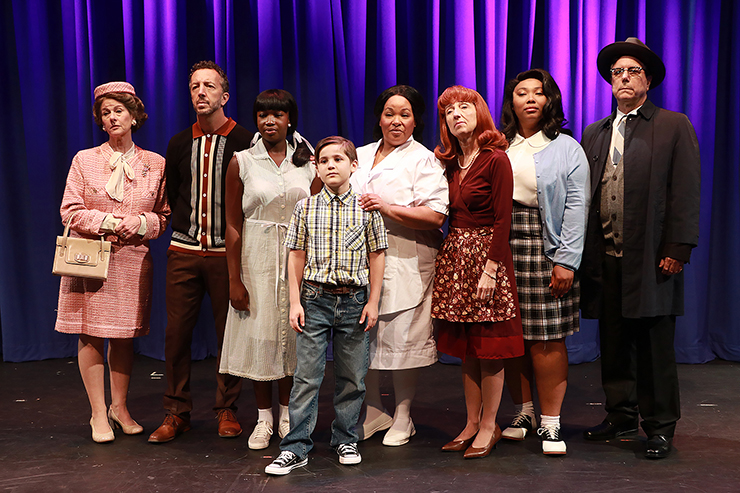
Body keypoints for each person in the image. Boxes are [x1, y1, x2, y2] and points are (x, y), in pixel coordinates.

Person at [579, 38, 701, 459]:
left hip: (652, 257)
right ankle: (620, 414)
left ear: (647, 80)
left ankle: (660, 426)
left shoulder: (672, 125)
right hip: (606, 257)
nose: (624, 77)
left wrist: (678, 246)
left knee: (653, 347)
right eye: (617, 72)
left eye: (632, 71)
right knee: (612, 343)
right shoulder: (595, 133)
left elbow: (685, 191)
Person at [264, 136, 387, 475]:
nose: (331, 165)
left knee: (352, 377)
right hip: (315, 300)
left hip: (354, 300)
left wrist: (373, 302)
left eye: (338, 159)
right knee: (307, 377)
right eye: (324, 160)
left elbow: (377, 255)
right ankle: (296, 447)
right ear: (315, 166)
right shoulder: (306, 206)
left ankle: (345, 437)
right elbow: (296, 255)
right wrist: (294, 302)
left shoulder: (366, 207)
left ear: (353, 165)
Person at [55, 81, 170, 443]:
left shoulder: (155, 163)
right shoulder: (84, 159)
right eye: (105, 112)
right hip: (90, 258)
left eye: (118, 110)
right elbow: (69, 210)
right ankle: (96, 414)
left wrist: (140, 223)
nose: (112, 117)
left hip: (132, 259)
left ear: (134, 115)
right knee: (90, 333)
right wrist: (106, 222)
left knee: (123, 336)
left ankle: (119, 408)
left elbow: (163, 216)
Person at [148, 61, 253, 443]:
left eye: (209, 86)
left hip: (227, 254)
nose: (201, 92)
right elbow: (176, 193)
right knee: (176, 333)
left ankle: (227, 407)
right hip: (185, 251)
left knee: (230, 333)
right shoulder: (179, 143)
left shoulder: (245, 141)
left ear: (224, 96)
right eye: (195, 86)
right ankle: (176, 411)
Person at [219, 89, 320, 450]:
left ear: (289, 118)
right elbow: (232, 224)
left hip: (300, 259)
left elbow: (320, 215)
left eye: (277, 114)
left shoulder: (308, 163)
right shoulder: (241, 161)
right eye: (262, 115)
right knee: (260, 339)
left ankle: (288, 413)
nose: (269, 121)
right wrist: (235, 279)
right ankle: (263, 418)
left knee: (294, 339)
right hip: (256, 259)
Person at [498, 69, 590, 455]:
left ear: (550, 101)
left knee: (547, 338)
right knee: (512, 334)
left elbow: (576, 206)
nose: (531, 99)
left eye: (539, 93)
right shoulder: (498, 145)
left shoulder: (567, 147)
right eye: (522, 93)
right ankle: (525, 411)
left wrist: (566, 260)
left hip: (545, 246)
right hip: (502, 246)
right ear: (512, 102)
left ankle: (551, 424)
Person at [352, 85, 448, 446]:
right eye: (389, 113)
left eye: (405, 114)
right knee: (365, 339)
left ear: (415, 120)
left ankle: (404, 415)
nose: (396, 121)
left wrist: (387, 208)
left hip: (406, 256)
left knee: (402, 338)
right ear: (379, 117)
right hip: (359, 260)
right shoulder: (357, 155)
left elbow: (436, 215)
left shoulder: (423, 159)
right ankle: (375, 409)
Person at [432, 86, 524, 459]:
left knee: (490, 349)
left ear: (479, 112)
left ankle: (490, 426)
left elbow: (504, 220)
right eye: (449, 111)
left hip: (488, 259)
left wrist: (490, 269)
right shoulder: (453, 164)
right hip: (457, 258)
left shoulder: (495, 159)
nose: (456, 114)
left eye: (464, 107)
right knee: (468, 349)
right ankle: (471, 422)